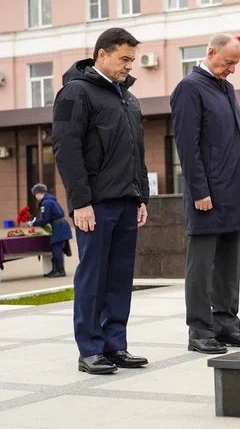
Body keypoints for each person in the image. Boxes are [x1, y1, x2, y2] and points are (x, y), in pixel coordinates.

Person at [52, 27, 150, 375]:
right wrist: (80, 202)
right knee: (93, 276)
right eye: (124, 59)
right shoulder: (74, 93)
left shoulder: (128, 98)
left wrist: (141, 196)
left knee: (120, 277)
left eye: (132, 60)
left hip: (126, 202)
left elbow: (137, 151)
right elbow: (66, 149)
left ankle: (115, 344)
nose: (129, 66)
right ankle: (90, 349)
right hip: (94, 205)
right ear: (102, 55)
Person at [170, 33, 240, 354]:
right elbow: (187, 145)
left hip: (233, 193)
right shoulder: (189, 88)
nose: (232, 69)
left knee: (227, 266)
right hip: (207, 195)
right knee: (201, 265)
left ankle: (226, 326)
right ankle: (199, 331)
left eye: (236, 64)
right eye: (228, 62)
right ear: (211, 53)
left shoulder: (226, 88)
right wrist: (199, 190)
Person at [28, 183, 72, 277]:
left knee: (56, 249)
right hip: (60, 225)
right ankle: (56, 270)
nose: (35, 197)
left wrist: (34, 223)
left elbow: (46, 219)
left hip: (58, 227)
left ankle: (59, 271)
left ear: (38, 193)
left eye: (35, 195)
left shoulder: (46, 203)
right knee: (57, 248)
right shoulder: (50, 200)